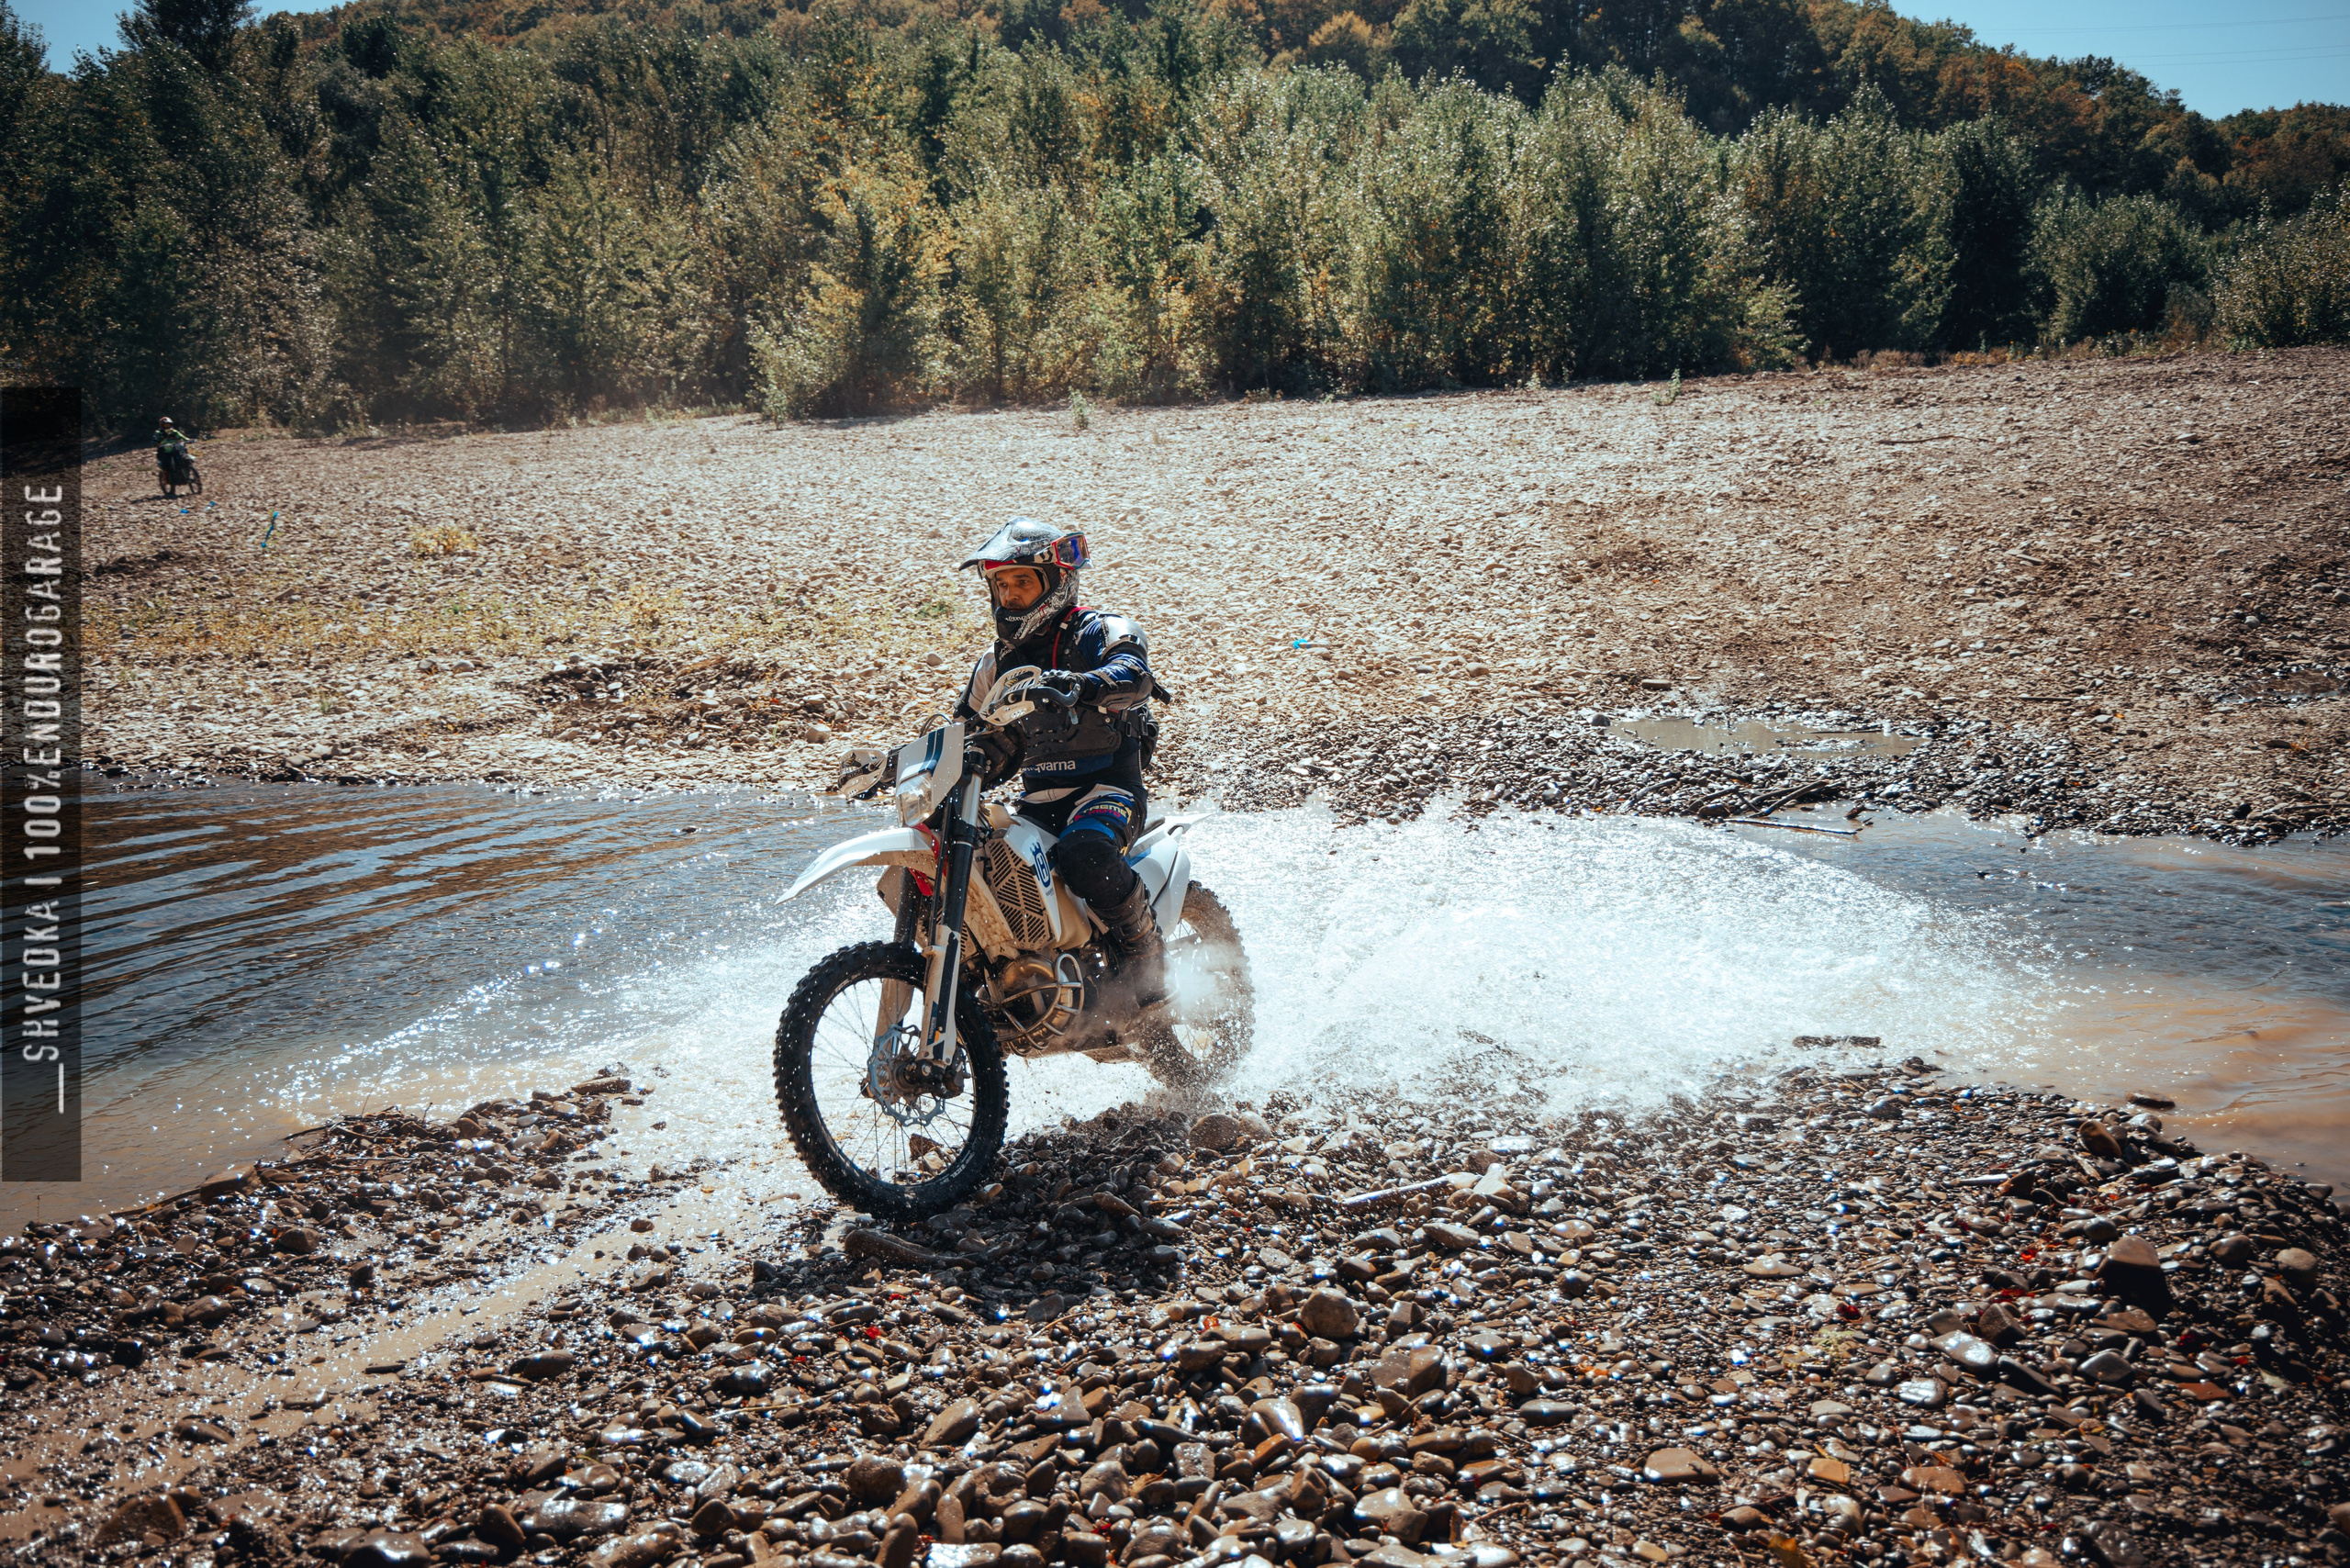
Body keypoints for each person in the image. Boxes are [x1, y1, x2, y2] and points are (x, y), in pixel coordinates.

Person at [956, 516, 1165, 1004]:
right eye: (1000, 583)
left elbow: (1132, 672)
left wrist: (1082, 684)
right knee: (978, 859)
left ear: (1056, 583)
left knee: (1085, 854)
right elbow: (962, 729)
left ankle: (1147, 965)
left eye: (1022, 582)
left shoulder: (1097, 629)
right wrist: (894, 764)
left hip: (1106, 791)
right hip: (1036, 803)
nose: (1008, 595)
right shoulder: (995, 662)